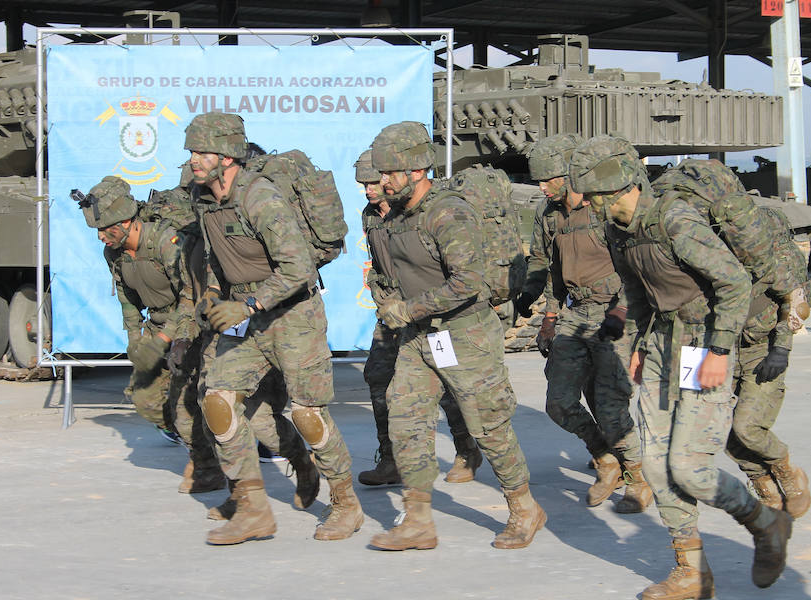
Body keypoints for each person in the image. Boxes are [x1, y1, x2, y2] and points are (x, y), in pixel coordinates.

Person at [569, 135, 793, 598]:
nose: (589, 207)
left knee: (689, 467)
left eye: (593, 198)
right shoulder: (616, 230)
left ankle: (765, 522)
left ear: (616, 191)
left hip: (705, 343)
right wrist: (635, 341)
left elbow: (732, 281)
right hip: (660, 345)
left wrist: (721, 350)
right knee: (655, 464)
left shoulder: (675, 220)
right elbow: (635, 289)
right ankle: (691, 571)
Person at [366, 121, 545, 551]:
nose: (381, 181)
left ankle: (524, 508)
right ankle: (418, 521)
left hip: (464, 334)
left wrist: (407, 308)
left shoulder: (448, 213)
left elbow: (469, 282)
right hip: (417, 337)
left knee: (488, 426)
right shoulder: (396, 218)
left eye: (389, 172)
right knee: (405, 419)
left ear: (415, 171)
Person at [185, 112, 362, 545]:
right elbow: (216, 257)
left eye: (201, 152)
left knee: (307, 413)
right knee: (218, 403)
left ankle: (345, 504)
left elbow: (299, 268)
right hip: (245, 315)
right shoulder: (207, 198)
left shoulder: (260, 198)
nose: (192, 160)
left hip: (292, 315)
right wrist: (212, 294)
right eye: (190, 151)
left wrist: (248, 303)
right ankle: (252, 508)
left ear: (227, 157)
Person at [520, 134, 651, 513]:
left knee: (611, 405)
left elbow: (637, 267)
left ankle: (638, 480)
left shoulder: (603, 209)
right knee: (558, 403)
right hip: (575, 314)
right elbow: (548, 270)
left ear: (568, 175)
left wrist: (624, 313)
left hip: (614, 312)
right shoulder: (550, 216)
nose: (542, 187)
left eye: (547, 179)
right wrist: (548, 316)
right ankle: (605, 457)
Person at [74, 175, 224, 494]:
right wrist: (135, 339)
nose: (102, 237)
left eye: (107, 229)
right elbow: (126, 296)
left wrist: (164, 340)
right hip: (157, 327)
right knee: (146, 399)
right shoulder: (114, 253)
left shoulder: (165, 242)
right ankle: (205, 445)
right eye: (98, 231)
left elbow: (190, 294)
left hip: (189, 326)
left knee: (188, 403)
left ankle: (208, 465)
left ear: (128, 222)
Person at [355, 148, 482, 486]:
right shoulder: (370, 215)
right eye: (363, 184)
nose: (368, 189)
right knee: (378, 377)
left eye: (372, 182)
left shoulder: (412, 212)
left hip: (428, 311)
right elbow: (379, 261)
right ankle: (390, 458)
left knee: (446, 382)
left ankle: (467, 448)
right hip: (393, 313)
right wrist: (375, 285)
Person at [726, 205, 811, 518]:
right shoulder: (706, 244)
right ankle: (763, 483)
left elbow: (796, 301)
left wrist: (782, 349)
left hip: (760, 350)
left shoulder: (773, 253)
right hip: (721, 350)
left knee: (748, 428)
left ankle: (786, 470)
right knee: (721, 432)